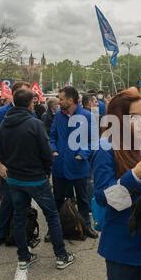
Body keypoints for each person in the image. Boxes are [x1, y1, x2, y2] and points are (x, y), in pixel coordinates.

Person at [91, 88, 141, 280]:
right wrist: (133, 176)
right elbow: (104, 199)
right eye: (133, 117)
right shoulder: (106, 148)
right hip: (124, 244)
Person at [0, 89, 75, 270]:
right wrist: (45, 171)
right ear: (31, 104)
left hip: (15, 180)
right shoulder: (35, 124)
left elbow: (1, 152)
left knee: (19, 217)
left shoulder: (3, 124)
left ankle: (23, 257)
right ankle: (61, 256)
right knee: (52, 216)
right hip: (35, 179)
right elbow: (47, 154)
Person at [0, 81, 31, 251]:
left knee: (25, 202)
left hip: (27, 167)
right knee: (7, 201)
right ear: (14, 94)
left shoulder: (30, 111)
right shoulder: (2, 113)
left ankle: (25, 231)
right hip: (9, 167)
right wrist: (0, 165)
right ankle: (0, 234)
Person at [50, 87, 98, 239]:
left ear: (70, 100)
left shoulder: (88, 116)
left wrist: (83, 154)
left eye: (61, 98)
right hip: (60, 167)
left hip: (79, 166)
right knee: (57, 199)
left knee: (83, 199)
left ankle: (86, 226)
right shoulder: (58, 116)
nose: (59, 101)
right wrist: (53, 149)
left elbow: (93, 140)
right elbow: (52, 136)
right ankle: (54, 229)